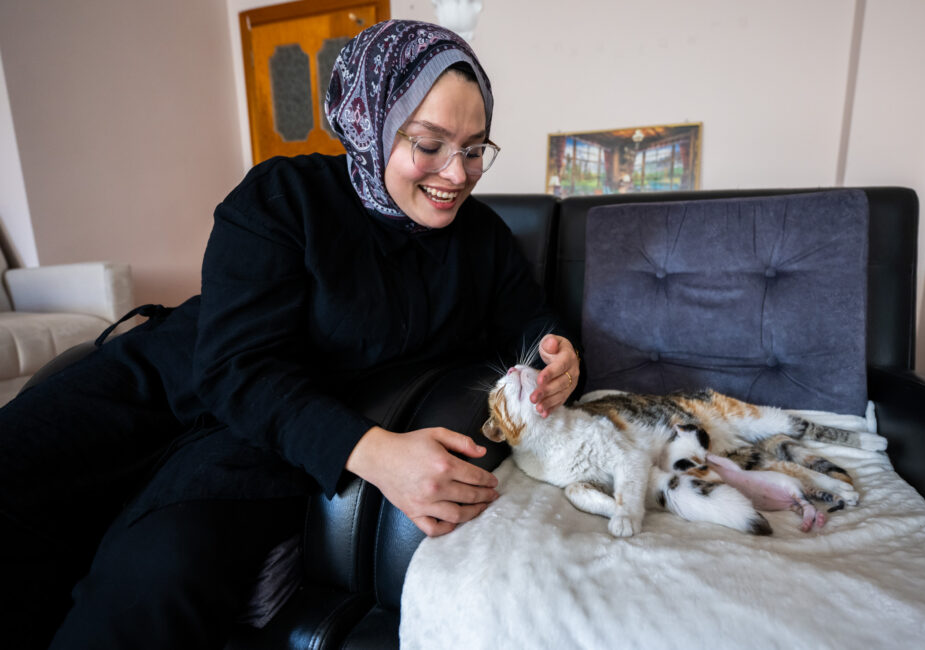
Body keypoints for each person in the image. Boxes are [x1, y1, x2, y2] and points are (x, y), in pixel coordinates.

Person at [0, 19, 580, 649]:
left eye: (474, 148)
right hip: (163, 382)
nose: (457, 173)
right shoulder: (284, 195)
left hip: (268, 436)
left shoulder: (482, 240)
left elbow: (529, 321)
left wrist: (556, 351)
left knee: (152, 582)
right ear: (373, 122)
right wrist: (378, 453)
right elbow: (233, 365)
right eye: (430, 143)